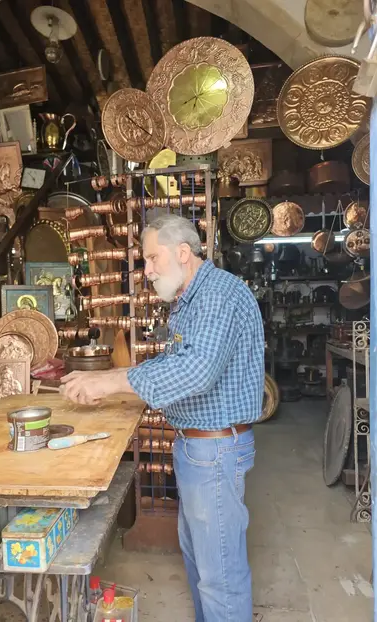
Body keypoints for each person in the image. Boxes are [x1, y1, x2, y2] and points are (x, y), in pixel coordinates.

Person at [61, 214, 264, 622]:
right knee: (201, 564)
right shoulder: (188, 301)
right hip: (197, 448)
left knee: (220, 578)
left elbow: (195, 371)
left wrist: (109, 381)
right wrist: (113, 382)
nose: (147, 270)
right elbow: (174, 363)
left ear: (183, 252)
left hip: (215, 452)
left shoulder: (217, 295)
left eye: (153, 258)